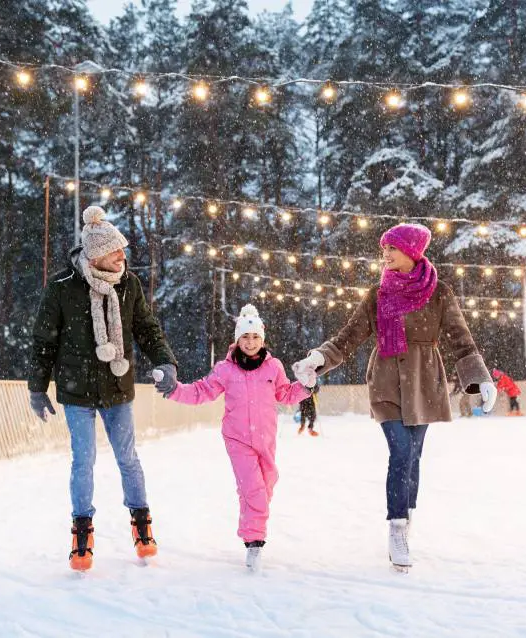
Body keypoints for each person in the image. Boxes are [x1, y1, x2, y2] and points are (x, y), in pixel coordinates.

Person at [291, 223, 497, 572]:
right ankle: (397, 528)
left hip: (425, 382)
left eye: (392, 249)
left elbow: (461, 340)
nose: (385, 255)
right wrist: (320, 357)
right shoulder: (378, 295)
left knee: (413, 456)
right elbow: (348, 337)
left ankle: (407, 512)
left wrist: (481, 380)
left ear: (412, 252)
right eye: (383, 249)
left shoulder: (439, 293)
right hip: (386, 381)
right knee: (400, 451)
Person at [27, 206, 179, 572]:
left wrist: (166, 361)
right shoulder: (63, 287)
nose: (122, 257)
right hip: (76, 391)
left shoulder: (129, 284)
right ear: (96, 254)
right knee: (84, 460)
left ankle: (142, 526)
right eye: (115, 251)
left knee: (127, 458)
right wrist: (37, 387)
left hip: (116, 386)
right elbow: (43, 341)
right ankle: (82, 532)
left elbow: (147, 328)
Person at [156, 304, 312, 572]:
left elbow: (285, 394)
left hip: (266, 439)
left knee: (265, 485)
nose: (250, 343)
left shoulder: (273, 367)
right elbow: (201, 391)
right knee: (254, 490)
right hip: (238, 439)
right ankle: (254, 542)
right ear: (237, 340)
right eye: (245, 337)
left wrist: (306, 386)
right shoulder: (225, 370)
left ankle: (252, 523)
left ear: (262, 339)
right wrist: (174, 389)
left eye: (255, 337)